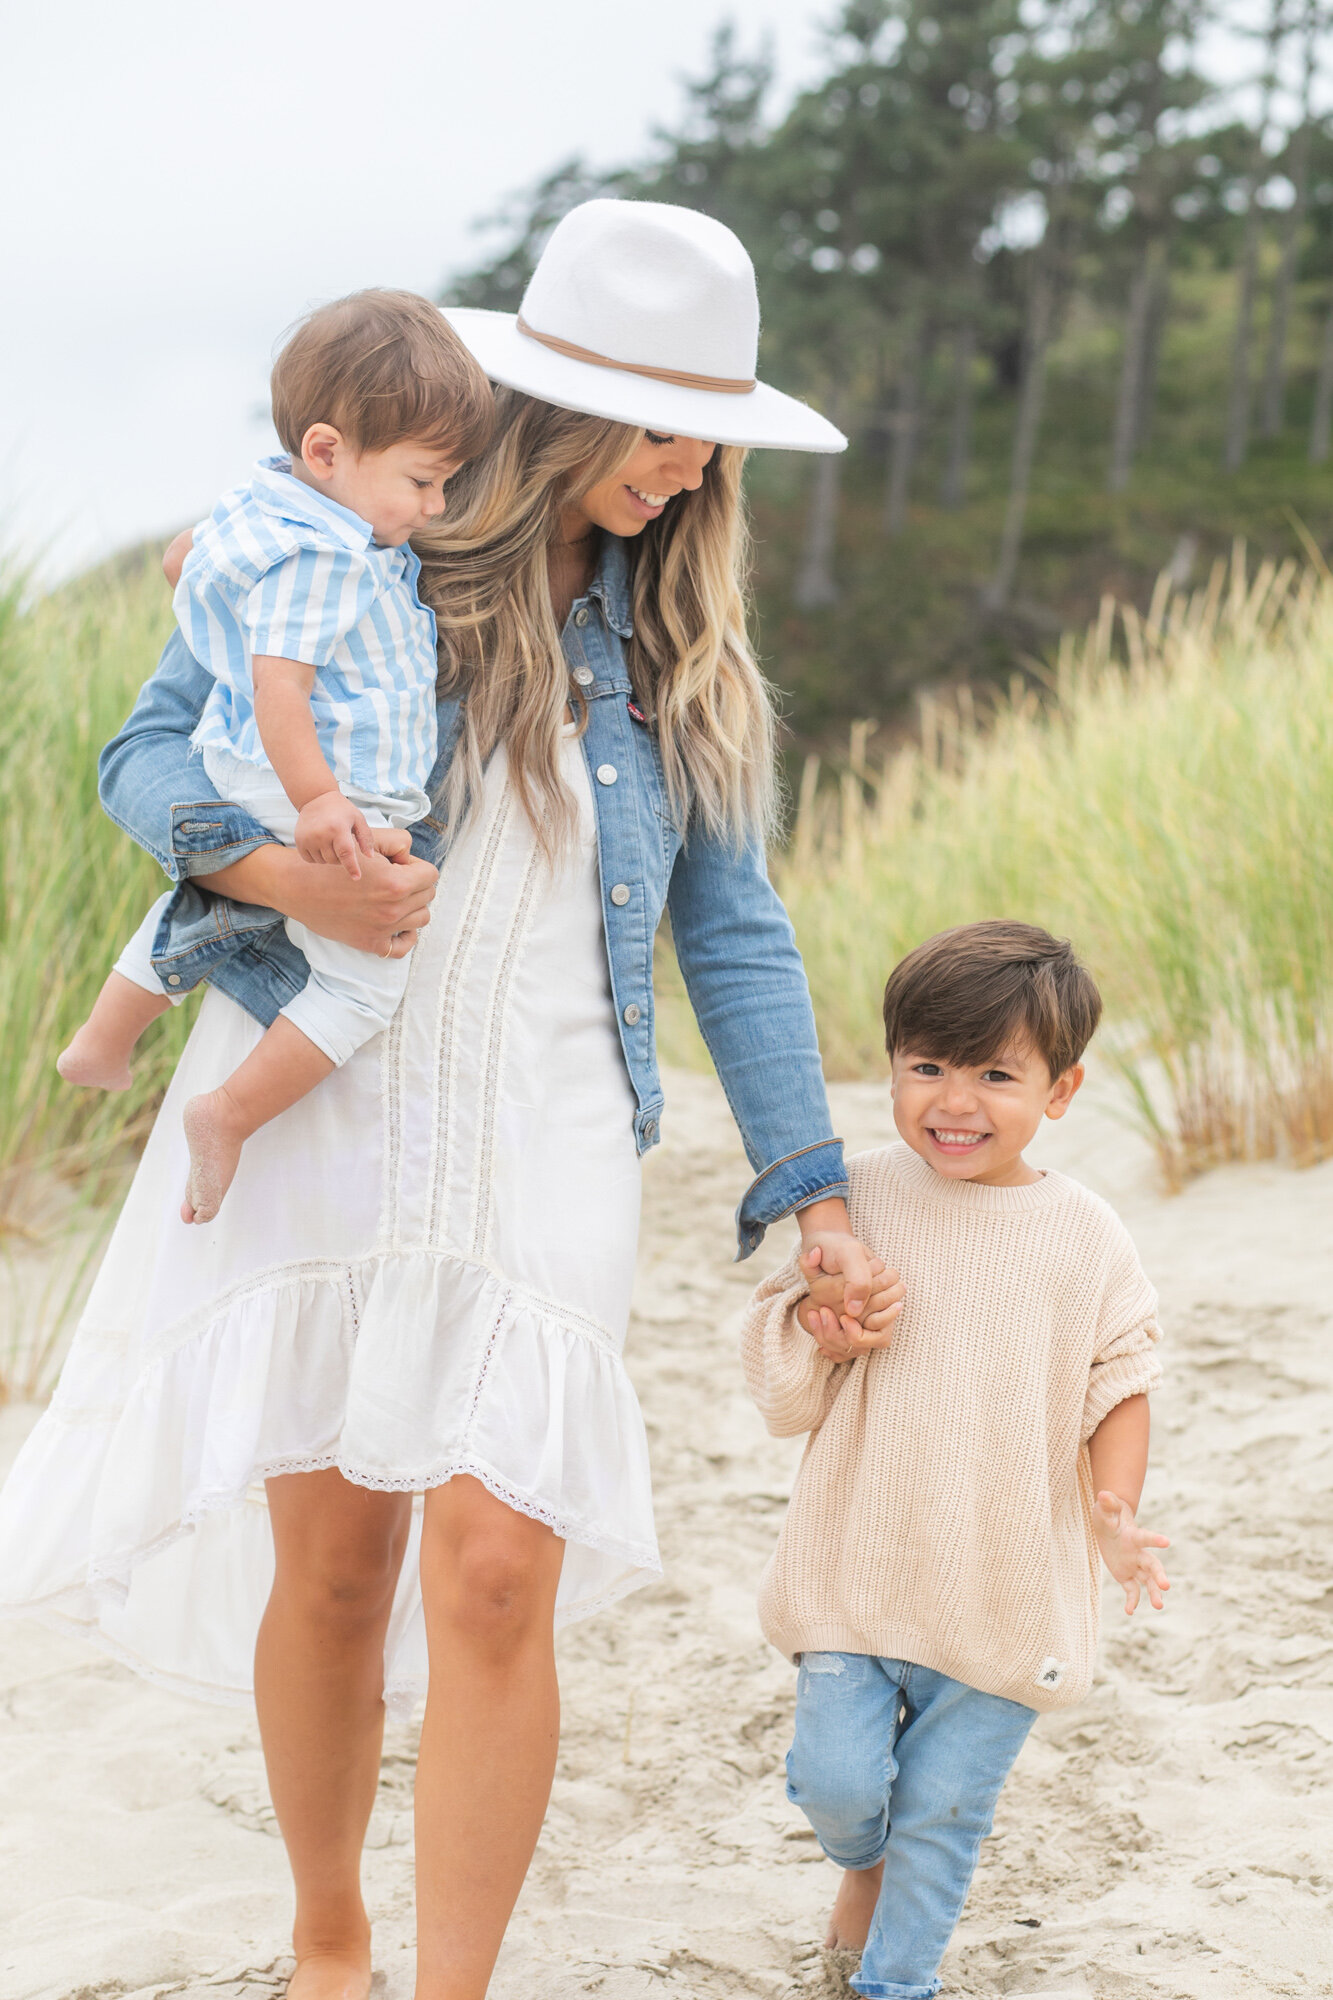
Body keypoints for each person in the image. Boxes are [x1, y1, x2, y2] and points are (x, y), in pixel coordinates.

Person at [0, 199, 885, 2000]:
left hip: (549, 1127)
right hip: (326, 1090)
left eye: (709, 428)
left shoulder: (684, 662)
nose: (689, 461)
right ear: (549, 407)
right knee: (332, 1568)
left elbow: (736, 933)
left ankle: (447, 1987)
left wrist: (812, 1185)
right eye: (654, 425)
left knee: (495, 1574)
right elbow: (146, 751)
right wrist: (273, 877)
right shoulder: (347, 557)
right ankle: (329, 1937)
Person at [741, 920, 1170, 2000]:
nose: (954, 1099)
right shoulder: (859, 1199)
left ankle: (895, 1981)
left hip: (1004, 1584)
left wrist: (1115, 1512)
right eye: (925, 1066)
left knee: (943, 1813)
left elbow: (1120, 1377)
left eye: (994, 1073)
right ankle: (859, 1864)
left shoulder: (1083, 1233)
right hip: (858, 1565)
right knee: (842, 1788)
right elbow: (783, 1382)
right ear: (888, 1066)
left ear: (1060, 1090)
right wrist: (819, 1322)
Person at [57, 290, 494, 1224]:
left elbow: (185, 560)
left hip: (256, 769)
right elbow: (279, 690)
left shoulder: (266, 501)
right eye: (423, 481)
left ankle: (103, 1038)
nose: (436, 505)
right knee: (365, 976)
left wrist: (195, 584)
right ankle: (228, 1111)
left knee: (218, 895)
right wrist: (320, 804)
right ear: (330, 452)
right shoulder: (324, 559)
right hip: (323, 776)